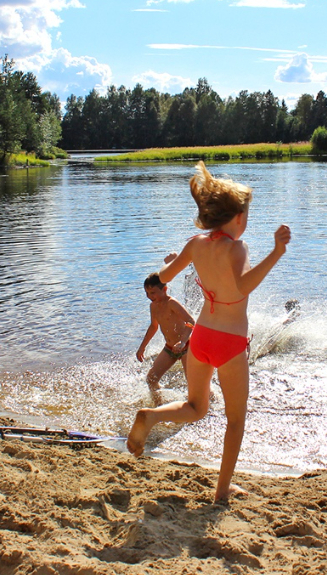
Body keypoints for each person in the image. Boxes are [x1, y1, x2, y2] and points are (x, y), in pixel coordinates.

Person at [127, 161, 291, 503]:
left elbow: (165, 276)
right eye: (245, 214)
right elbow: (243, 286)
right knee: (235, 420)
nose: (246, 221)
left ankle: (151, 416)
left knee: (196, 406)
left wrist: (173, 259)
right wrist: (276, 252)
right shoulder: (237, 248)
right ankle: (221, 491)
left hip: (200, 336)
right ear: (236, 218)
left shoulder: (196, 244)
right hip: (229, 343)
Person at [137, 273, 195, 400]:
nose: (149, 296)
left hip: (186, 347)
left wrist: (182, 342)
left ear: (164, 289)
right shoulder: (153, 306)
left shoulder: (172, 303)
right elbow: (153, 326)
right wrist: (142, 348)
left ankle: (211, 403)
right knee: (151, 379)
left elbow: (191, 321)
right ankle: (161, 406)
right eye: (147, 293)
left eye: (153, 292)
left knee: (193, 385)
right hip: (169, 348)